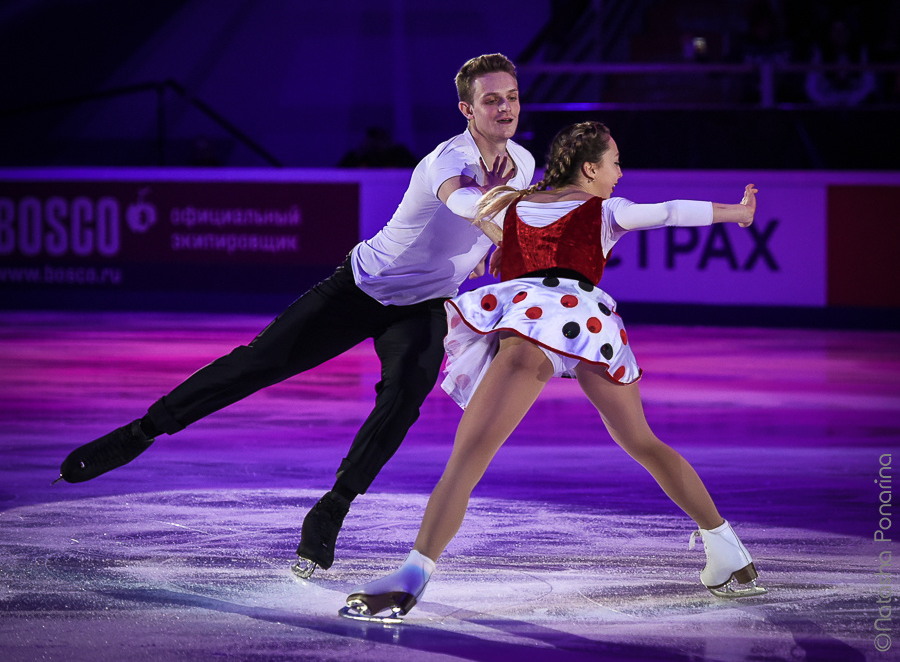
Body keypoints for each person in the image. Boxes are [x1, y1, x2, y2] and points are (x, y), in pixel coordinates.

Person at [55, 53, 536, 578]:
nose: (505, 108)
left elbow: (488, 228)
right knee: (256, 364)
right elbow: (466, 204)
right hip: (361, 287)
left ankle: (332, 508)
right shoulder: (447, 159)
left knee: (405, 396)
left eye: (511, 97)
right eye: (492, 99)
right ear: (467, 109)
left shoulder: (524, 164)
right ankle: (142, 431)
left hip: (424, 305)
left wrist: (497, 249)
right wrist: (505, 230)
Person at [341, 121, 766, 623]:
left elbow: (471, 216)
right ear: (589, 168)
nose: (619, 173)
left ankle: (410, 579)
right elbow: (670, 212)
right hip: (588, 328)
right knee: (642, 442)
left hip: (533, 327)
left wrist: (488, 239)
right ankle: (729, 552)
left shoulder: (513, 204)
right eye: (614, 163)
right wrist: (738, 212)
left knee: (467, 460)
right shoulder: (607, 210)